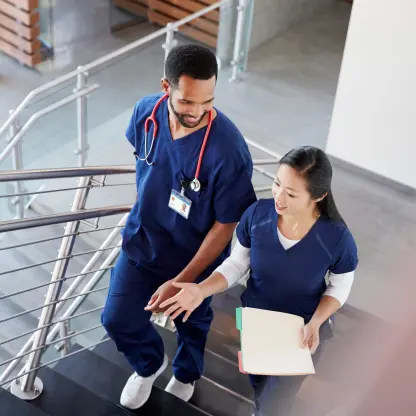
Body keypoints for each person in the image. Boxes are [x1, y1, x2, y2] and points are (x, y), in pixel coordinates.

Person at [101, 44, 257, 410]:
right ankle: (150, 364)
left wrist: (184, 280)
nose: (197, 112)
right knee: (116, 318)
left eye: (207, 101)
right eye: (187, 102)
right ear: (165, 87)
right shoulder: (146, 113)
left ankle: (186, 373)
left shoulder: (228, 149)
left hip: (195, 259)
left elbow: (226, 223)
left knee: (192, 323)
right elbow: (148, 164)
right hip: (142, 242)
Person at [160, 146, 359, 415]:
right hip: (256, 321)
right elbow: (237, 263)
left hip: (302, 332)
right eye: (277, 184)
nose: (279, 197)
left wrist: (316, 322)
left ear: (319, 196)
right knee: (258, 383)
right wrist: (201, 290)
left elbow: (340, 284)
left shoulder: (337, 239)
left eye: (291, 193)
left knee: (275, 404)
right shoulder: (256, 215)